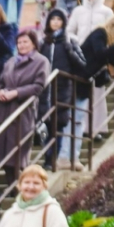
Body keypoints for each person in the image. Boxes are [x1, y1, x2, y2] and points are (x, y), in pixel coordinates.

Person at [74, 15, 114, 162]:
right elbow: (99, 53)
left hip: (85, 80)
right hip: (75, 77)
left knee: (78, 118)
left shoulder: (112, 42)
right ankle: (66, 156)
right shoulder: (100, 33)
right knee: (73, 118)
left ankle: (73, 157)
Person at [0, 30, 51, 180]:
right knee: (2, 151)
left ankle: (18, 185)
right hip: (3, 110)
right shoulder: (10, 61)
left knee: (18, 151)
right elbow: (0, 81)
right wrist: (0, 92)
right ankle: (12, 184)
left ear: (34, 43)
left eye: (25, 42)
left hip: (23, 110)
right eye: (19, 42)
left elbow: (39, 86)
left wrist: (15, 93)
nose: (22, 45)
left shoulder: (41, 61)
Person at [39, 9, 86, 171]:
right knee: (45, 125)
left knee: (58, 126)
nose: (56, 22)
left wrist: (68, 47)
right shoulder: (43, 42)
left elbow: (81, 65)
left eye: (59, 19)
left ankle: (54, 158)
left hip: (63, 90)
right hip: (44, 91)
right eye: (53, 19)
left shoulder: (70, 41)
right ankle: (47, 156)